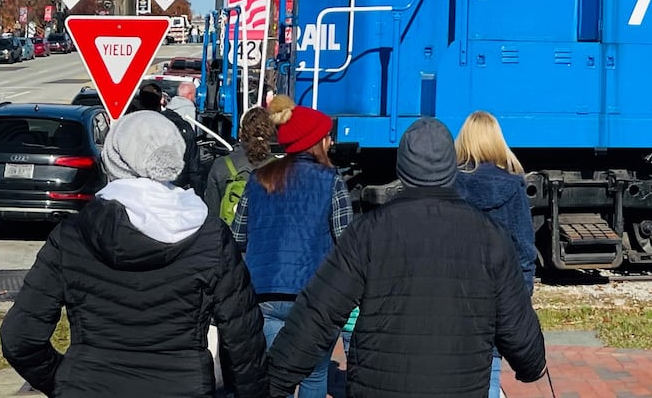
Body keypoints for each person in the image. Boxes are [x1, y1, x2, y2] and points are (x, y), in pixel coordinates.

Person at [265, 116, 546, 398]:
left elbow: (319, 313)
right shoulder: (491, 237)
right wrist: (532, 366)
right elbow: (519, 331)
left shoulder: (368, 231)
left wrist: (274, 379)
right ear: (451, 167)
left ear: (402, 169)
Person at [0, 111, 267, 398]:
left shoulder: (72, 235)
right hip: (180, 387)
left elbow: (20, 337)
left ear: (112, 161)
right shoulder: (209, 235)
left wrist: (63, 379)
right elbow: (243, 342)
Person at [232, 103, 351, 398]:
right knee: (314, 374)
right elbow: (348, 242)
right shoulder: (331, 181)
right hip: (315, 296)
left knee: (274, 378)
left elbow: (237, 237)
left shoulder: (259, 179)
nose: (331, 142)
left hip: (265, 293)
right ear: (314, 142)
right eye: (327, 136)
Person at [454, 110, 538, 398]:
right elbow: (525, 250)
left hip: (454, 295)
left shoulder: (449, 185)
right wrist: (521, 296)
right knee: (490, 366)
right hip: (496, 296)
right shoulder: (513, 187)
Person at [132, 80, 207, 194]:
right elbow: (193, 169)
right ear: (161, 100)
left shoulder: (133, 127)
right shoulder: (183, 123)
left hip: (141, 192)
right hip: (175, 188)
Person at [204, 106, 277, 223]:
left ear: (241, 132)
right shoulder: (281, 168)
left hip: (229, 236)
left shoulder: (220, 165)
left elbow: (212, 214)